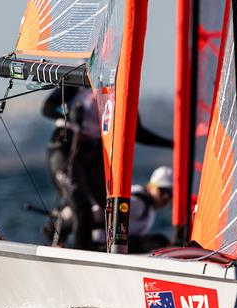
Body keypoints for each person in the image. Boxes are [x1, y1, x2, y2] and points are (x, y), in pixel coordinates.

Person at [41, 85, 174, 250]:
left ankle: (98, 249)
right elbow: (48, 108)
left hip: (92, 154)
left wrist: (172, 144)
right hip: (66, 150)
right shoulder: (78, 84)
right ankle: (71, 242)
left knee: (110, 207)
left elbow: (137, 132)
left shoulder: (120, 89)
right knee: (82, 208)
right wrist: (68, 112)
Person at [125, 166, 174, 254]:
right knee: (159, 243)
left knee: (160, 241)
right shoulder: (139, 203)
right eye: (163, 190)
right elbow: (107, 207)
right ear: (151, 186)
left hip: (113, 243)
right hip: (104, 245)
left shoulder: (146, 203)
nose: (166, 196)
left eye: (170, 193)